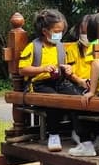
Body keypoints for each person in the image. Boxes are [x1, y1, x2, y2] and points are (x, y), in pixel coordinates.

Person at [18, 9, 86, 153]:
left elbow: (67, 66)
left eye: (61, 31)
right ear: (44, 31)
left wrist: (68, 70)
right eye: (56, 31)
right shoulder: (34, 47)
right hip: (39, 84)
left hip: (60, 81)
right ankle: (53, 135)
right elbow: (22, 69)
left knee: (77, 99)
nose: (59, 34)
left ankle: (80, 134)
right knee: (54, 101)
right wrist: (42, 69)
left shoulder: (60, 47)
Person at [65, 13, 99, 156]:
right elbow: (70, 72)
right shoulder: (72, 49)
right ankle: (84, 137)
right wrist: (80, 81)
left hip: (97, 86)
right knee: (77, 97)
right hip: (80, 85)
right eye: (83, 32)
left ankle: (94, 136)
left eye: (88, 32)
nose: (85, 35)